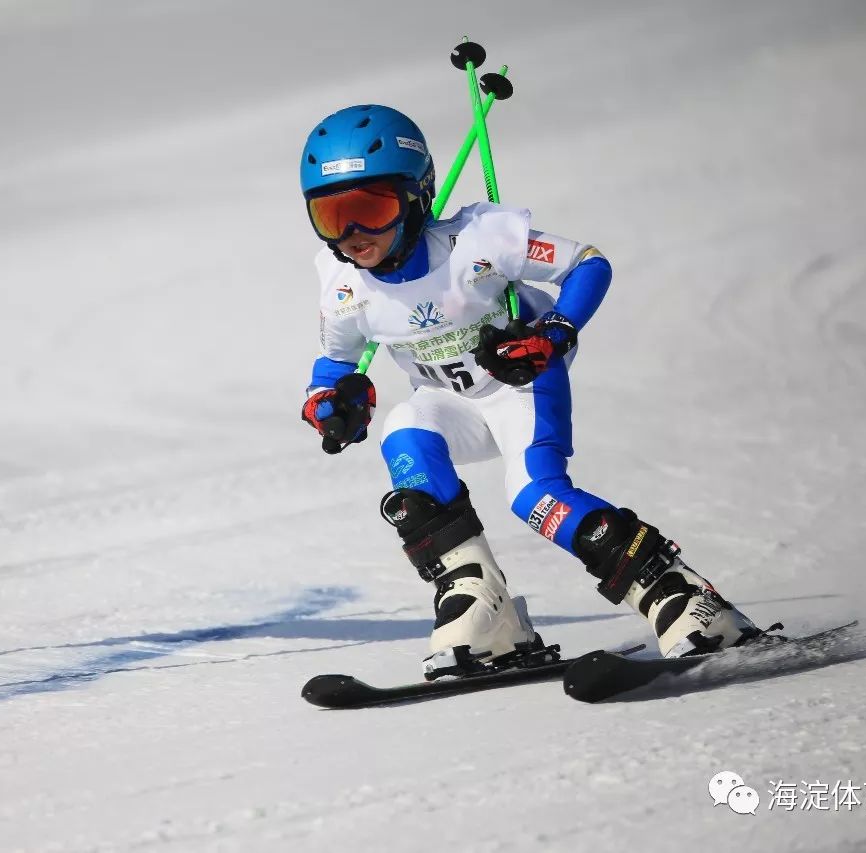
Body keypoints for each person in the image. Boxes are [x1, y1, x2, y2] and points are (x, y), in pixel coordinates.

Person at [299, 104, 761, 680]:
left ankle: (684, 598)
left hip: (520, 386)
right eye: (332, 215)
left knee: (534, 497)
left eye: (371, 209)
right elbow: (334, 362)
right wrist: (328, 403)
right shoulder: (345, 287)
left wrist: (553, 332)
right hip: (451, 403)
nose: (353, 235)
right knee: (405, 439)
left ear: (416, 196)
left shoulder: (478, 243)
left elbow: (588, 265)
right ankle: (483, 611)